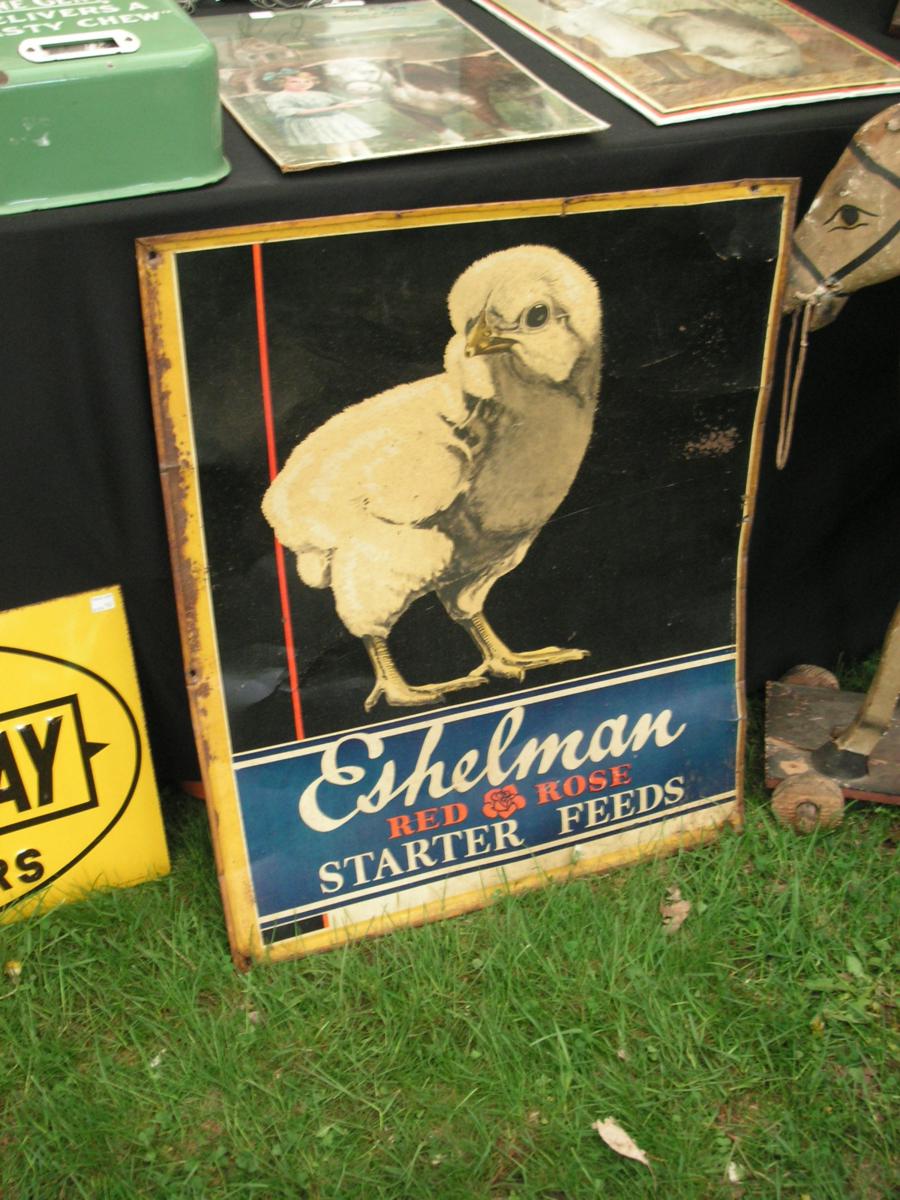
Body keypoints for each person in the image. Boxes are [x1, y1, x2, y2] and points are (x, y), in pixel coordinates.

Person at [262, 68, 380, 159]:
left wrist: (358, 101)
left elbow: (341, 102)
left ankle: (369, 162)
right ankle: (346, 165)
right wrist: (334, 108)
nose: (302, 84)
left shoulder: (317, 94)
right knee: (339, 145)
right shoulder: (280, 97)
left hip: (336, 120)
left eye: (307, 81)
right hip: (312, 122)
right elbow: (294, 113)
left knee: (357, 143)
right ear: (281, 83)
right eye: (294, 81)